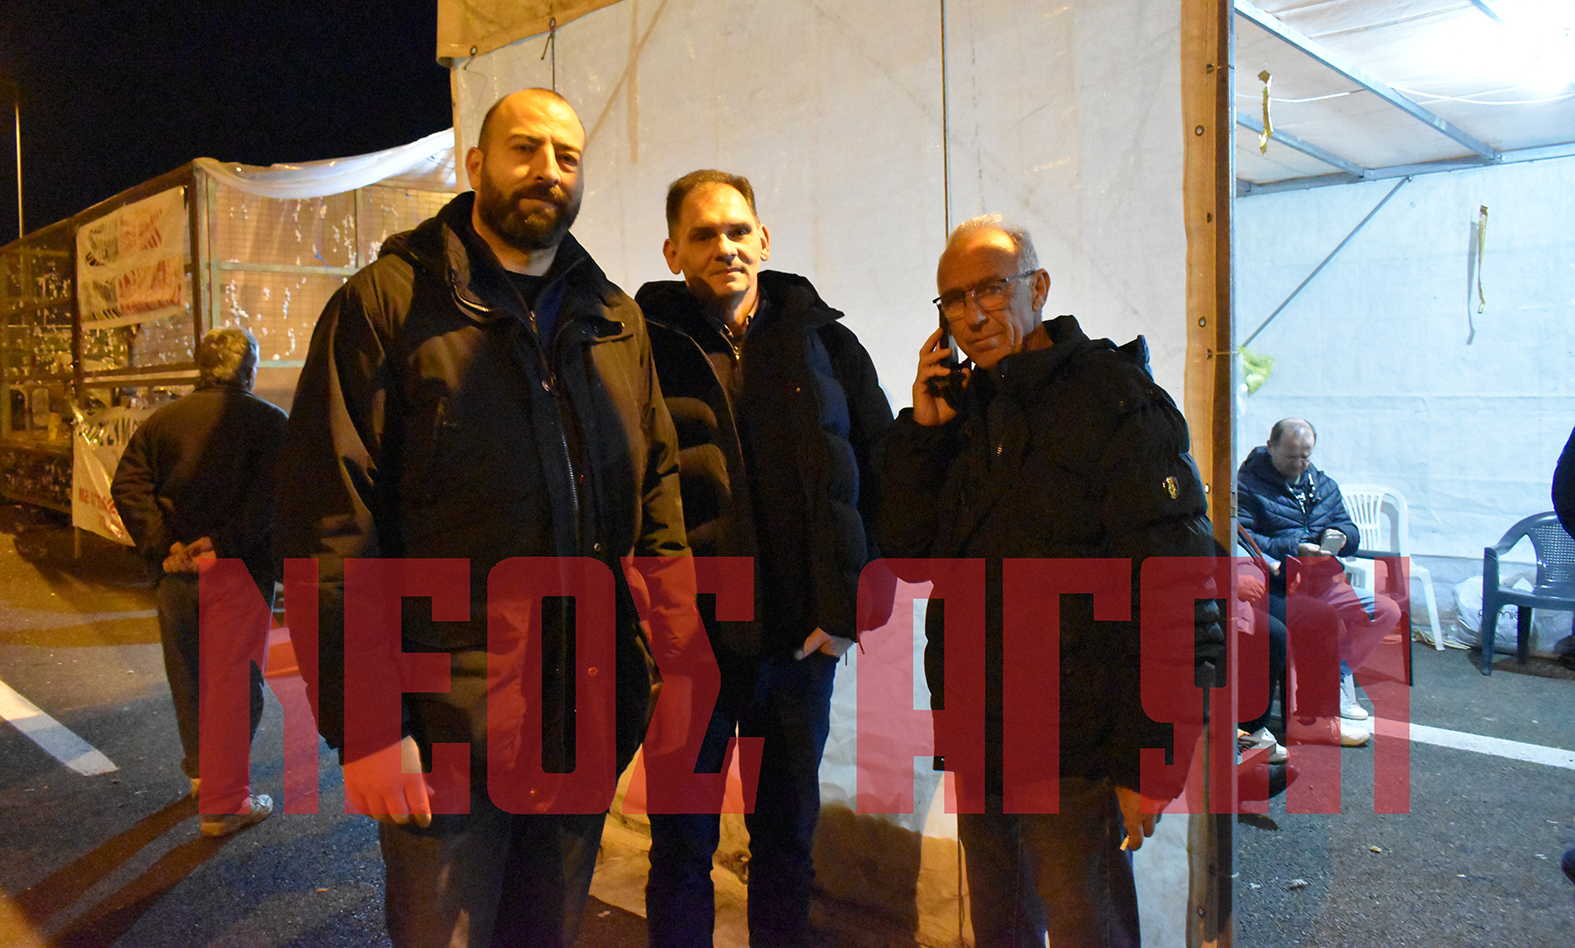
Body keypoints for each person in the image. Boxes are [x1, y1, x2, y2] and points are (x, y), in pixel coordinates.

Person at [274, 88, 702, 948]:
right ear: (475, 166)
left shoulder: (614, 320)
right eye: (525, 149)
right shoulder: (386, 306)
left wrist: (674, 665)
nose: (548, 170)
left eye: (567, 156)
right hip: (446, 727)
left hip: (583, 715)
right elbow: (332, 526)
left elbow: (658, 502)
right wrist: (369, 727)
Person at [877, 214, 1218, 948]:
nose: (972, 315)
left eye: (990, 289)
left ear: (1037, 288)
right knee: (999, 926)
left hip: (1078, 744)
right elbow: (908, 555)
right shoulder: (966, 410)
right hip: (980, 728)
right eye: (952, 299)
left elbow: (1179, 581)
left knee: (1086, 929)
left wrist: (1152, 754)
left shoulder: (1114, 398)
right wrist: (925, 432)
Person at [634, 170, 893, 948]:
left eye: (738, 230)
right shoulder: (638, 351)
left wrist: (848, 613)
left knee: (785, 846)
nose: (725, 246)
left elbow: (879, 475)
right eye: (704, 234)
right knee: (681, 851)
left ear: (764, 240)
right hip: (690, 654)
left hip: (796, 650)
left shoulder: (825, 344)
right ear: (673, 251)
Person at [111, 327, 287, 837]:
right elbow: (276, 498)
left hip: (175, 575)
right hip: (238, 572)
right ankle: (225, 804)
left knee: (189, 676)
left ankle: (203, 775)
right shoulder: (269, 423)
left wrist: (165, 545)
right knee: (237, 684)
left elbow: (128, 485)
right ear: (248, 371)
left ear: (201, 367)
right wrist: (222, 544)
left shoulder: (162, 422)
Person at [1236, 419, 1402, 748]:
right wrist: (1294, 547)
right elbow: (1243, 537)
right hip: (1283, 579)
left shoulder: (1323, 484)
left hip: (1324, 576)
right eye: (1290, 456)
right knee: (1304, 623)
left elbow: (1348, 527)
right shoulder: (1247, 486)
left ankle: (1336, 674)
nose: (1298, 464)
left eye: (1305, 456)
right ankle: (1296, 715)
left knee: (1386, 612)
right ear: (1270, 447)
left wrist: (1340, 537)